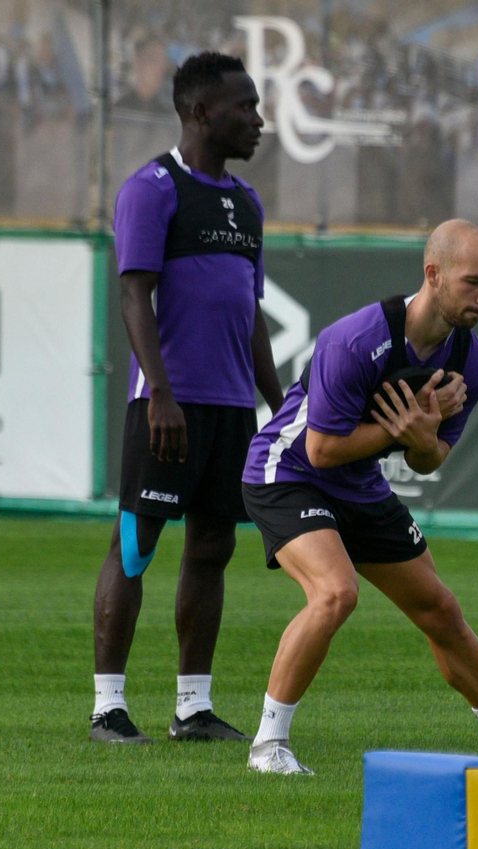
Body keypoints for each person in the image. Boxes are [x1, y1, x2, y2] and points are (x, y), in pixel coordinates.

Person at [240, 220, 478, 775]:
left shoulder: (473, 362)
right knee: (336, 593)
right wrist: (405, 431)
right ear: (433, 274)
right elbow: (324, 448)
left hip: (359, 483)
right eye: (474, 282)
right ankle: (268, 745)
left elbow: (430, 459)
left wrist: (422, 436)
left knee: (441, 609)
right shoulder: (355, 340)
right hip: (288, 472)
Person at [89, 52, 285, 744]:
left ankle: (192, 709)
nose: (259, 121)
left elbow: (249, 313)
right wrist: (162, 396)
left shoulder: (247, 203)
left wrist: (279, 402)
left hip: (231, 410)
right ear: (202, 113)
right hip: (167, 406)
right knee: (135, 546)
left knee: (212, 548)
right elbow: (133, 297)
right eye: (246, 108)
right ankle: (107, 708)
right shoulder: (152, 189)